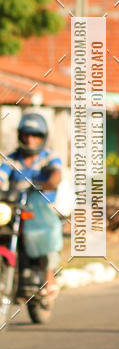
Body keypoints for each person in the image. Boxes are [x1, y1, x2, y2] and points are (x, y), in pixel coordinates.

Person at [0, 111, 62, 305]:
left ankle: (48, 278)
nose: (30, 139)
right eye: (26, 134)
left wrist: (50, 182)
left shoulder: (49, 156)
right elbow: (1, 174)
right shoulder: (11, 158)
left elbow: (56, 174)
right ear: (20, 135)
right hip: (14, 207)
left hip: (40, 208)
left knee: (47, 233)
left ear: (42, 138)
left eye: (35, 135)